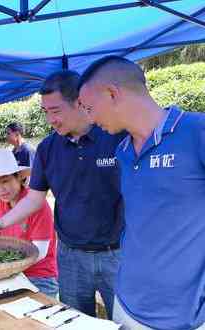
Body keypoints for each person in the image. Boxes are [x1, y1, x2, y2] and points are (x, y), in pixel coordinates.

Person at [78, 55, 205, 330]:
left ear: (112, 93)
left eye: (89, 108)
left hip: (184, 316)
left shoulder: (196, 132)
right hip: (126, 303)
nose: (88, 119)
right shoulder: (122, 151)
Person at [0, 70, 125, 319]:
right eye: (45, 112)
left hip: (117, 254)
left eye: (55, 111)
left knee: (124, 322)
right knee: (75, 321)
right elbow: (34, 199)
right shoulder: (47, 148)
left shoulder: (113, 135)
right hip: (71, 256)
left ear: (79, 102)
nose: (50, 120)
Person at [0, 148, 58, 297]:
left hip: (39, 277)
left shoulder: (37, 204)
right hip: (9, 274)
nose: (1, 189)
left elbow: (40, 253)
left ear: (19, 177)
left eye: (5, 180)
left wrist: (3, 266)